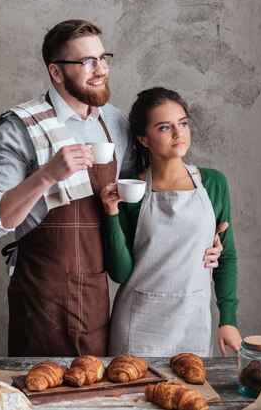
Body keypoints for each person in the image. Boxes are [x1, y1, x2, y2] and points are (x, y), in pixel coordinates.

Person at [0, 20, 224, 357]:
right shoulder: (20, 126)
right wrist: (46, 175)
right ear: (57, 73)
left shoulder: (116, 122)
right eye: (87, 62)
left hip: (96, 291)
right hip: (41, 294)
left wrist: (202, 241)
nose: (101, 69)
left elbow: (143, 207)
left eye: (103, 58)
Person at [101, 87, 241, 357]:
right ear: (144, 138)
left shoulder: (213, 183)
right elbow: (120, 273)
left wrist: (228, 319)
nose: (179, 134)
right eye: (165, 128)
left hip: (193, 321)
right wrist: (111, 215)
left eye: (183, 123)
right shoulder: (131, 189)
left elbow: (227, 257)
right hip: (138, 323)